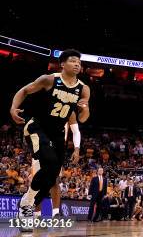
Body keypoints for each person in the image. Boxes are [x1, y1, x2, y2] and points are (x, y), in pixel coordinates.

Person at [9, 49, 90, 230]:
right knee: (49, 161)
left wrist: (84, 109)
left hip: (57, 134)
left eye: (79, 62)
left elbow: (83, 118)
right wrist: (13, 108)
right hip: (37, 127)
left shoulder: (84, 89)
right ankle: (28, 207)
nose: (77, 64)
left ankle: (27, 203)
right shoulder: (49, 79)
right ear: (62, 64)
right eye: (72, 61)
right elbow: (24, 90)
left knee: (53, 174)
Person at [30, 112, 81, 219]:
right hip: (41, 146)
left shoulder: (70, 111)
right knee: (38, 180)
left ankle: (56, 213)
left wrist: (77, 149)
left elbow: (76, 131)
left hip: (58, 149)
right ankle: (37, 214)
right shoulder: (48, 105)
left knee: (54, 180)